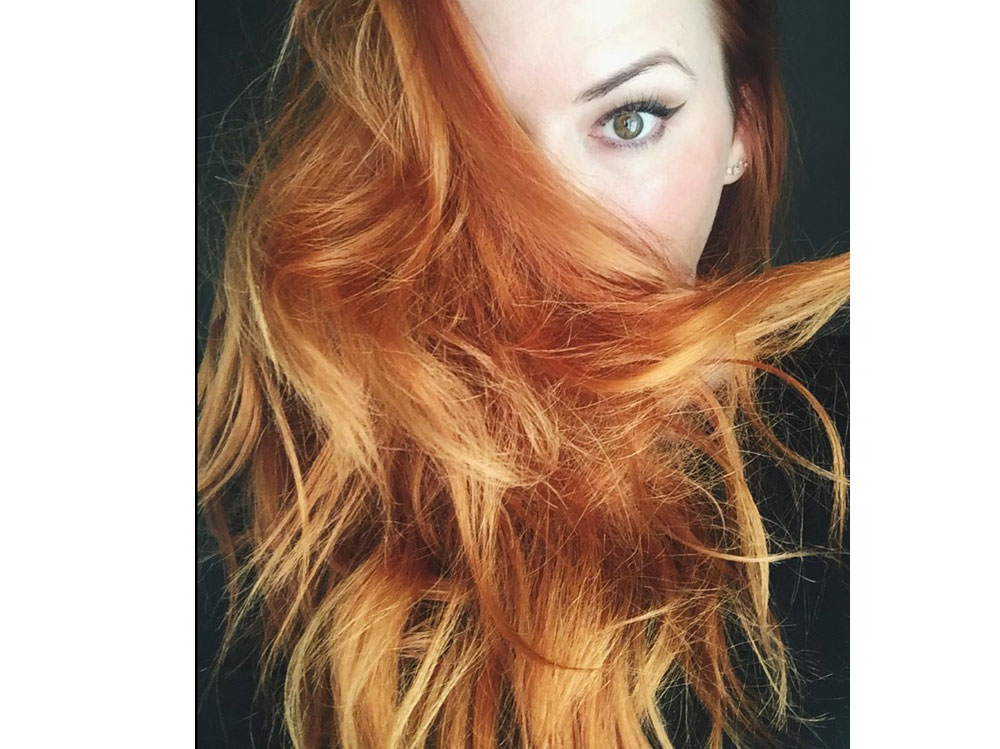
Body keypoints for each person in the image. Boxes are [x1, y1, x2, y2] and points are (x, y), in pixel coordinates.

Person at [196, 0, 850, 747]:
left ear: (743, 129)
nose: (553, 220)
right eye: (483, 143)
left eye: (630, 120)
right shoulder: (283, 504)